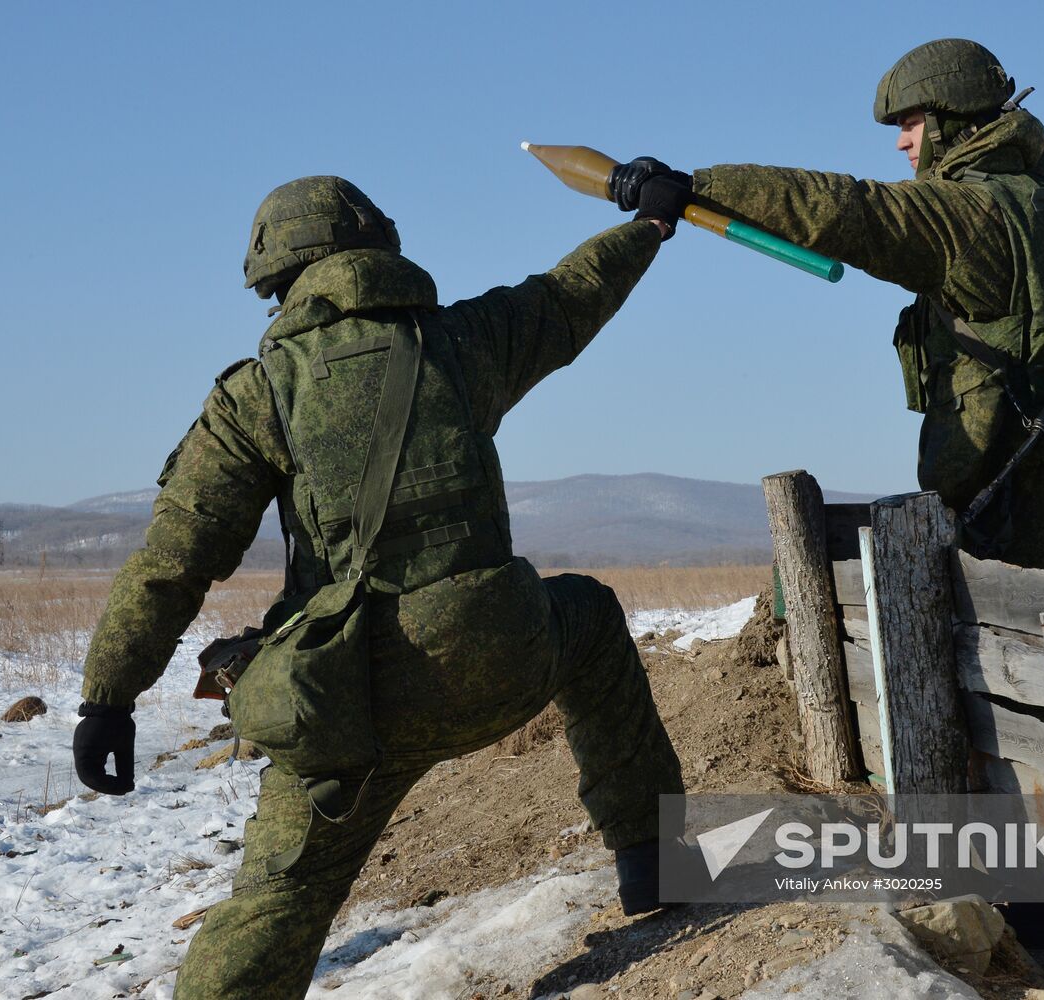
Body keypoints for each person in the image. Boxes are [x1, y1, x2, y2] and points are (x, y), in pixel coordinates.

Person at [71, 171, 694, 999]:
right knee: (589, 616)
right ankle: (655, 861)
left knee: (280, 898)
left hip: (349, 707)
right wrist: (650, 224)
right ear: (377, 249)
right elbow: (572, 295)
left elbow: (171, 563)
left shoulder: (255, 398)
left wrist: (107, 698)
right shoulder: (467, 341)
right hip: (501, 657)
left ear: (279, 278)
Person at [613, 38, 1044, 575]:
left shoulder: (969, 213)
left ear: (948, 120)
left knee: (1026, 654)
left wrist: (694, 187)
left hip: (1017, 489)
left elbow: (846, 211)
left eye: (910, 125)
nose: (901, 144)